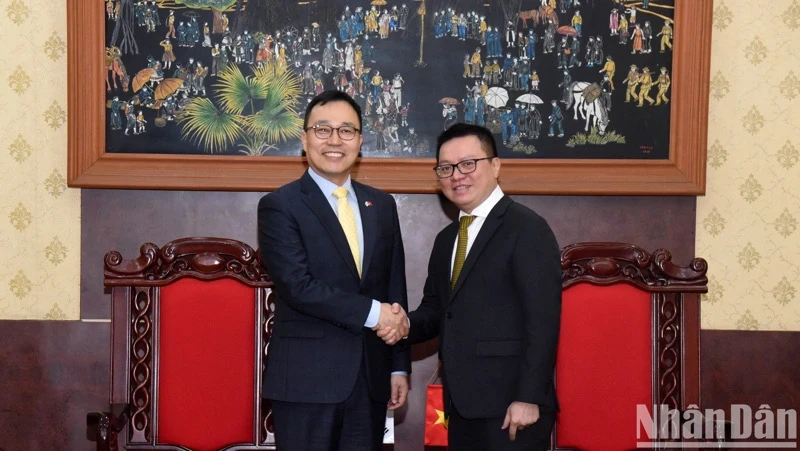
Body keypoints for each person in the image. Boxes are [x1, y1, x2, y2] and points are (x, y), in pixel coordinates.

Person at [378, 123, 562, 450]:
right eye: (446, 168)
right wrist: (404, 325)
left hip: (511, 406)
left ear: (495, 165)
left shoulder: (527, 228)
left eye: (468, 164)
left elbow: (542, 321)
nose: (456, 175)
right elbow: (437, 311)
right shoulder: (447, 239)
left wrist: (528, 398)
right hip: (461, 406)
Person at [258, 90, 411, 451]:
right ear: (305, 138)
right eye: (323, 130)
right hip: (306, 382)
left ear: (360, 140)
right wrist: (377, 315)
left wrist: (398, 366)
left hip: (371, 380)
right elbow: (297, 286)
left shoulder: (382, 205)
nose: (334, 140)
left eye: (346, 131)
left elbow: (394, 286)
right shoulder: (280, 206)